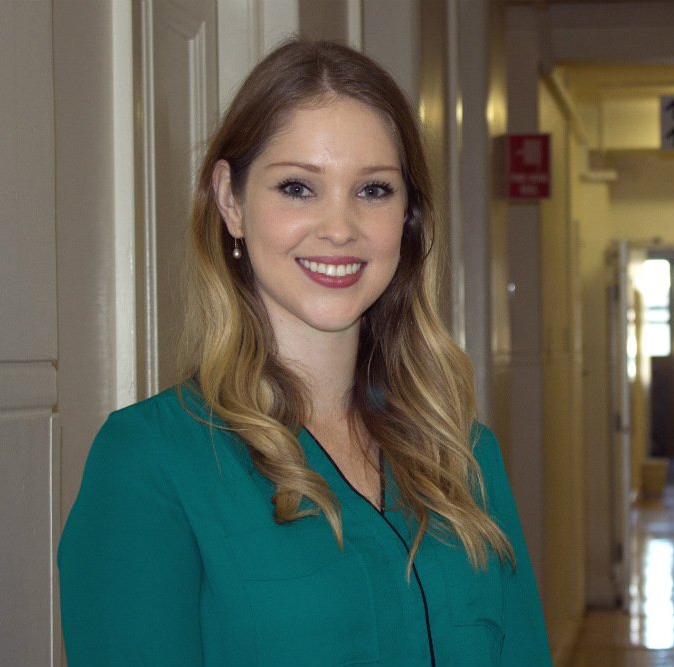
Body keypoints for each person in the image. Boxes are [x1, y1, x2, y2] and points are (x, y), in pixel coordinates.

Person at [58, 38, 552, 667]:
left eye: (373, 191)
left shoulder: (462, 455)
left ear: (408, 216)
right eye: (297, 187)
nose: (340, 227)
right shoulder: (150, 464)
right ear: (231, 201)